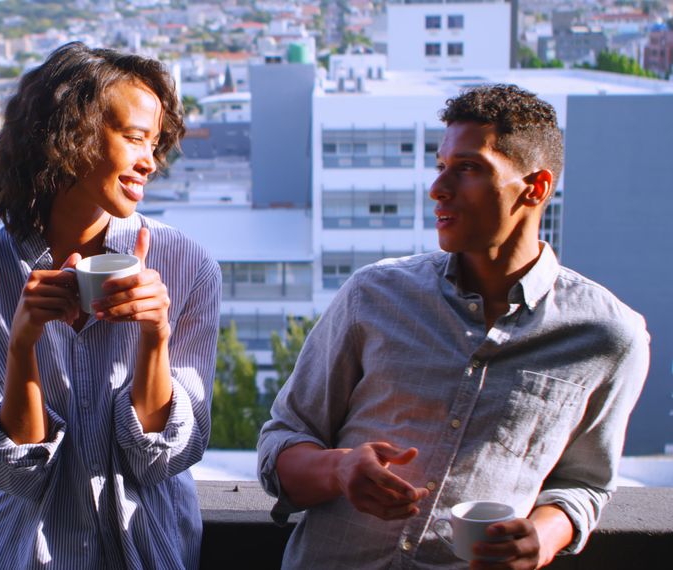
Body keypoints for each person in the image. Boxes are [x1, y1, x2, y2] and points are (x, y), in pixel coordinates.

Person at [257, 84, 649, 569]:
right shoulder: (373, 295)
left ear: (537, 187)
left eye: (468, 168)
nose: (438, 188)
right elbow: (281, 444)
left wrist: (542, 538)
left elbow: (585, 484)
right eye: (442, 166)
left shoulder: (609, 336)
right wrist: (339, 470)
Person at [0, 42, 221, 569]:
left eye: (156, 144)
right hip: (21, 556)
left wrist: (155, 334)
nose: (149, 162)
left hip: (149, 552)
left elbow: (166, 459)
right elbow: (7, 474)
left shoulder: (186, 265)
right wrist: (23, 346)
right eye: (134, 138)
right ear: (72, 135)